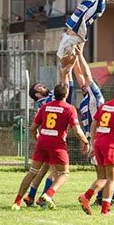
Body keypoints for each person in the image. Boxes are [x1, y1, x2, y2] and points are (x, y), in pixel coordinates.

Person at [12, 83, 89, 210]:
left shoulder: (45, 107)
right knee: (64, 173)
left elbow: (32, 129)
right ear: (66, 94)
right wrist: (86, 142)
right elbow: (77, 131)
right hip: (57, 144)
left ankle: (17, 202)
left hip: (42, 141)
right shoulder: (69, 108)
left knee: (33, 172)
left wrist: (38, 139)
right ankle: (48, 194)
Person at [78, 83, 114, 216]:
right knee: (111, 179)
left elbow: (94, 124)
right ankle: (103, 209)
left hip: (99, 142)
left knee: (103, 177)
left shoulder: (105, 106)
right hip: (111, 145)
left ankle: (87, 197)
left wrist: (92, 143)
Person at [74, 46, 114, 208]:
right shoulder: (86, 99)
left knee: (105, 173)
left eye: (87, 84)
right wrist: (74, 59)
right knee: (106, 173)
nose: (83, 84)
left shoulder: (95, 96)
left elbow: (85, 74)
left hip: (97, 138)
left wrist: (79, 54)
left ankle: (106, 198)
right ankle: (108, 199)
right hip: (97, 138)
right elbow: (80, 74)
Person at [24, 76, 74, 207]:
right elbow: (65, 90)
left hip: (45, 141)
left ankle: (31, 195)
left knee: (43, 170)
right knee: (56, 172)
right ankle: (44, 198)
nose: (42, 85)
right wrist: (65, 72)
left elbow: (62, 89)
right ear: (37, 94)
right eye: (39, 86)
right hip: (53, 142)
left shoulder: (46, 100)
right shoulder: (45, 101)